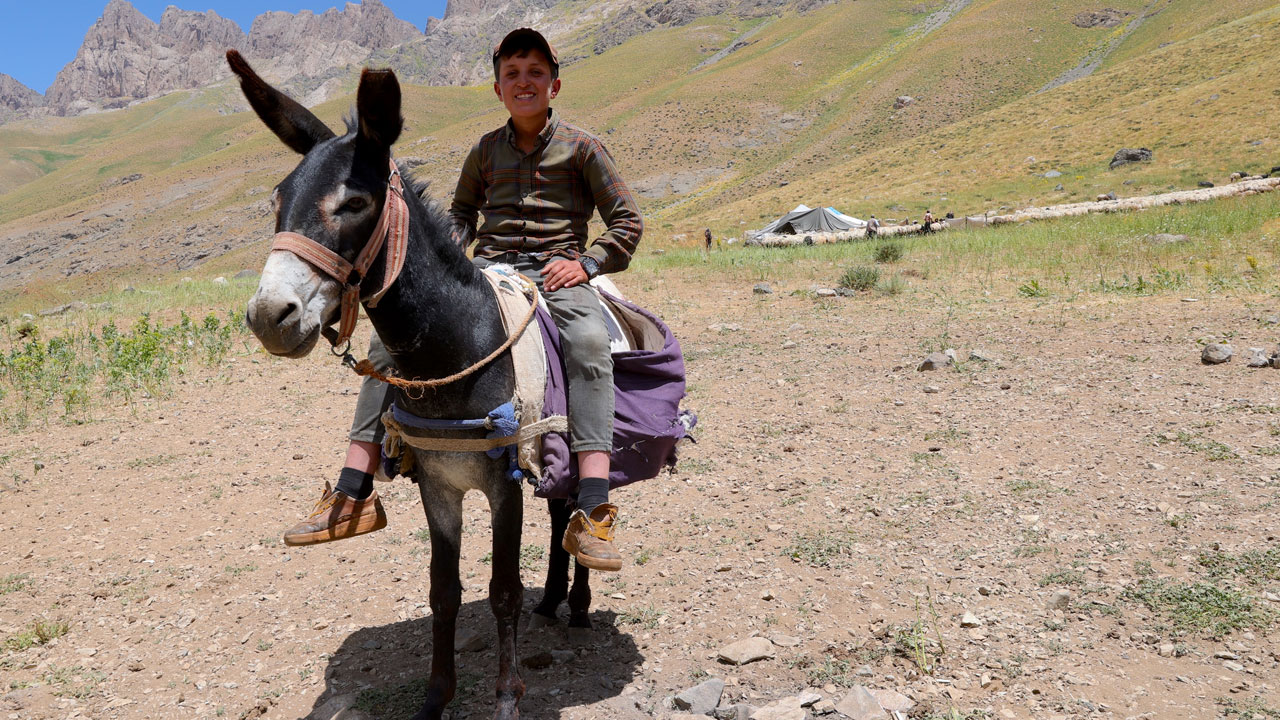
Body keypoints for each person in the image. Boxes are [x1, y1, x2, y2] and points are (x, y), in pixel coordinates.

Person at [283, 28, 642, 573]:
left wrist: (587, 264)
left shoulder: (583, 148)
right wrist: (446, 253)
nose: (524, 82)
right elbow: (460, 218)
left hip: (557, 275)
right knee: (386, 347)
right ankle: (354, 491)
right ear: (498, 88)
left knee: (589, 343)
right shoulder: (484, 151)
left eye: (535, 73)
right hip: (491, 271)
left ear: (555, 84)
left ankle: (593, 508)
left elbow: (627, 222)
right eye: (512, 74)